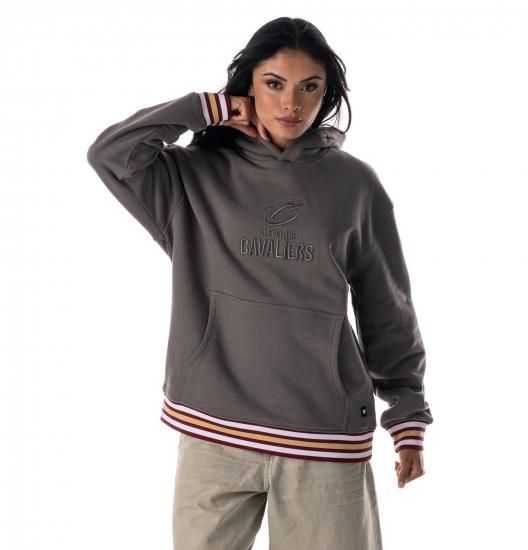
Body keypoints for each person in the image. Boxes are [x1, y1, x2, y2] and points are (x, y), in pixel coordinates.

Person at [87, 16, 434, 550]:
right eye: (274, 84)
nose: (291, 103)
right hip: (213, 430)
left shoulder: (355, 185)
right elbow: (110, 154)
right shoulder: (192, 176)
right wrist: (206, 109)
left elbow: (386, 306)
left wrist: (406, 412)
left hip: (323, 436)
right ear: (248, 85)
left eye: (309, 87)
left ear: (327, 94)